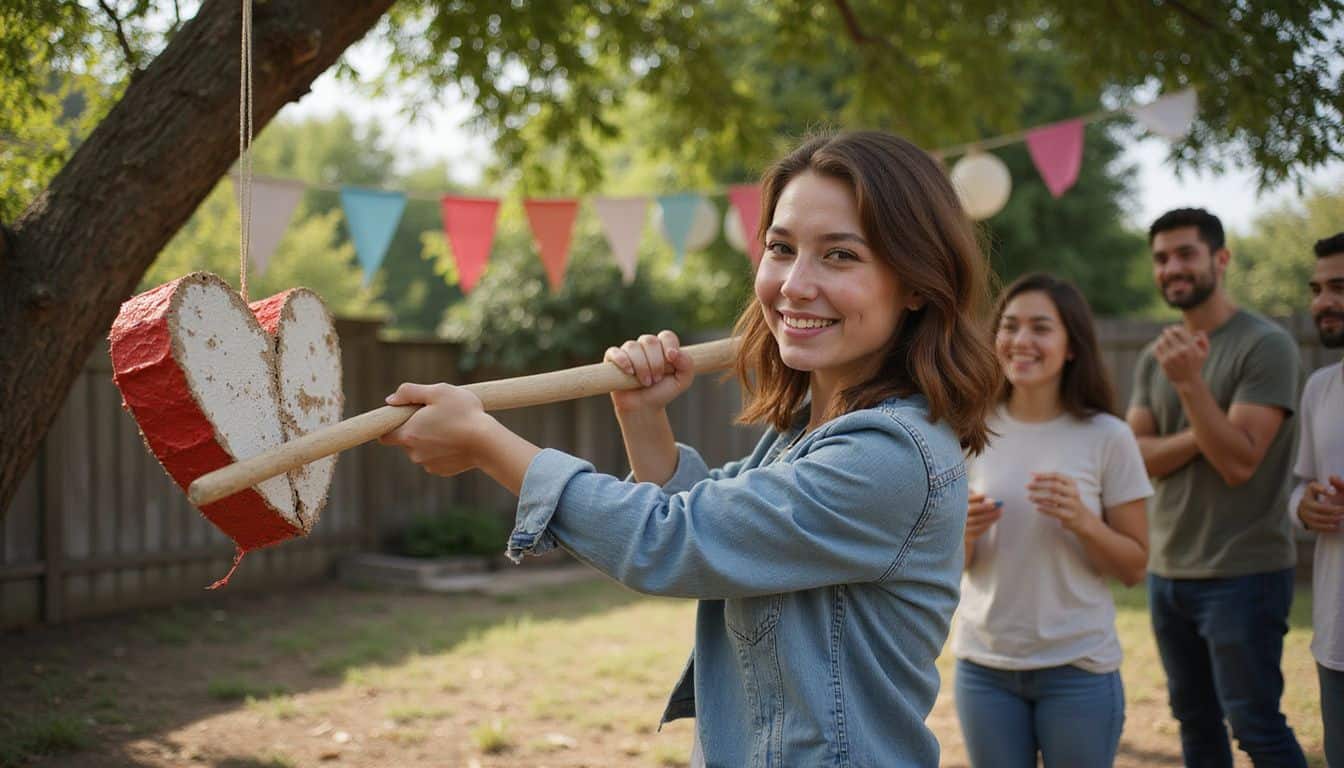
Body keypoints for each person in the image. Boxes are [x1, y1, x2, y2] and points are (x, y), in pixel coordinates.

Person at [378, 131, 1000, 767]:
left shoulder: (887, 456)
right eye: (781, 249)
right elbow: (708, 522)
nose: (793, 286)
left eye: (840, 256)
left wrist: (485, 441)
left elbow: (671, 542)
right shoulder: (810, 432)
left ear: (918, 283)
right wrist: (642, 413)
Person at [1127, 207, 1306, 767]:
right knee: (1196, 727)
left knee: (1256, 728)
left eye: (1185, 253)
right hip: (1169, 572)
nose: (1171, 267)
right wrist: (1210, 427)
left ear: (1220, 259)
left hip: (1244, 574)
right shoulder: (1156, 355)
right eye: (1161, 258)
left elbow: (1239, 463)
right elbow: (1136, 459)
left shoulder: (1265, 345)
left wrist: (1189, 387)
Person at [953, 273, 1152, 767]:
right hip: (984, 668)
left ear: (1071, 347)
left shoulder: (1108, 437)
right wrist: (964, 533)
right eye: (1010, 326)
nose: (1021, 341)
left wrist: (1084, 521)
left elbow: (1133, 568)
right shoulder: (964, 430)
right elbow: (948, 565)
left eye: (1040, 328)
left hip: (1078, 668)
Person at [1289, 232, 1344, 767]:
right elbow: (1299, 488)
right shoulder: (1321, 388)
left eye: (1339, 287)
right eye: (1317, 288)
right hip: (1335, 639)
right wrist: (1304, 508)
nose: (1322, 302)